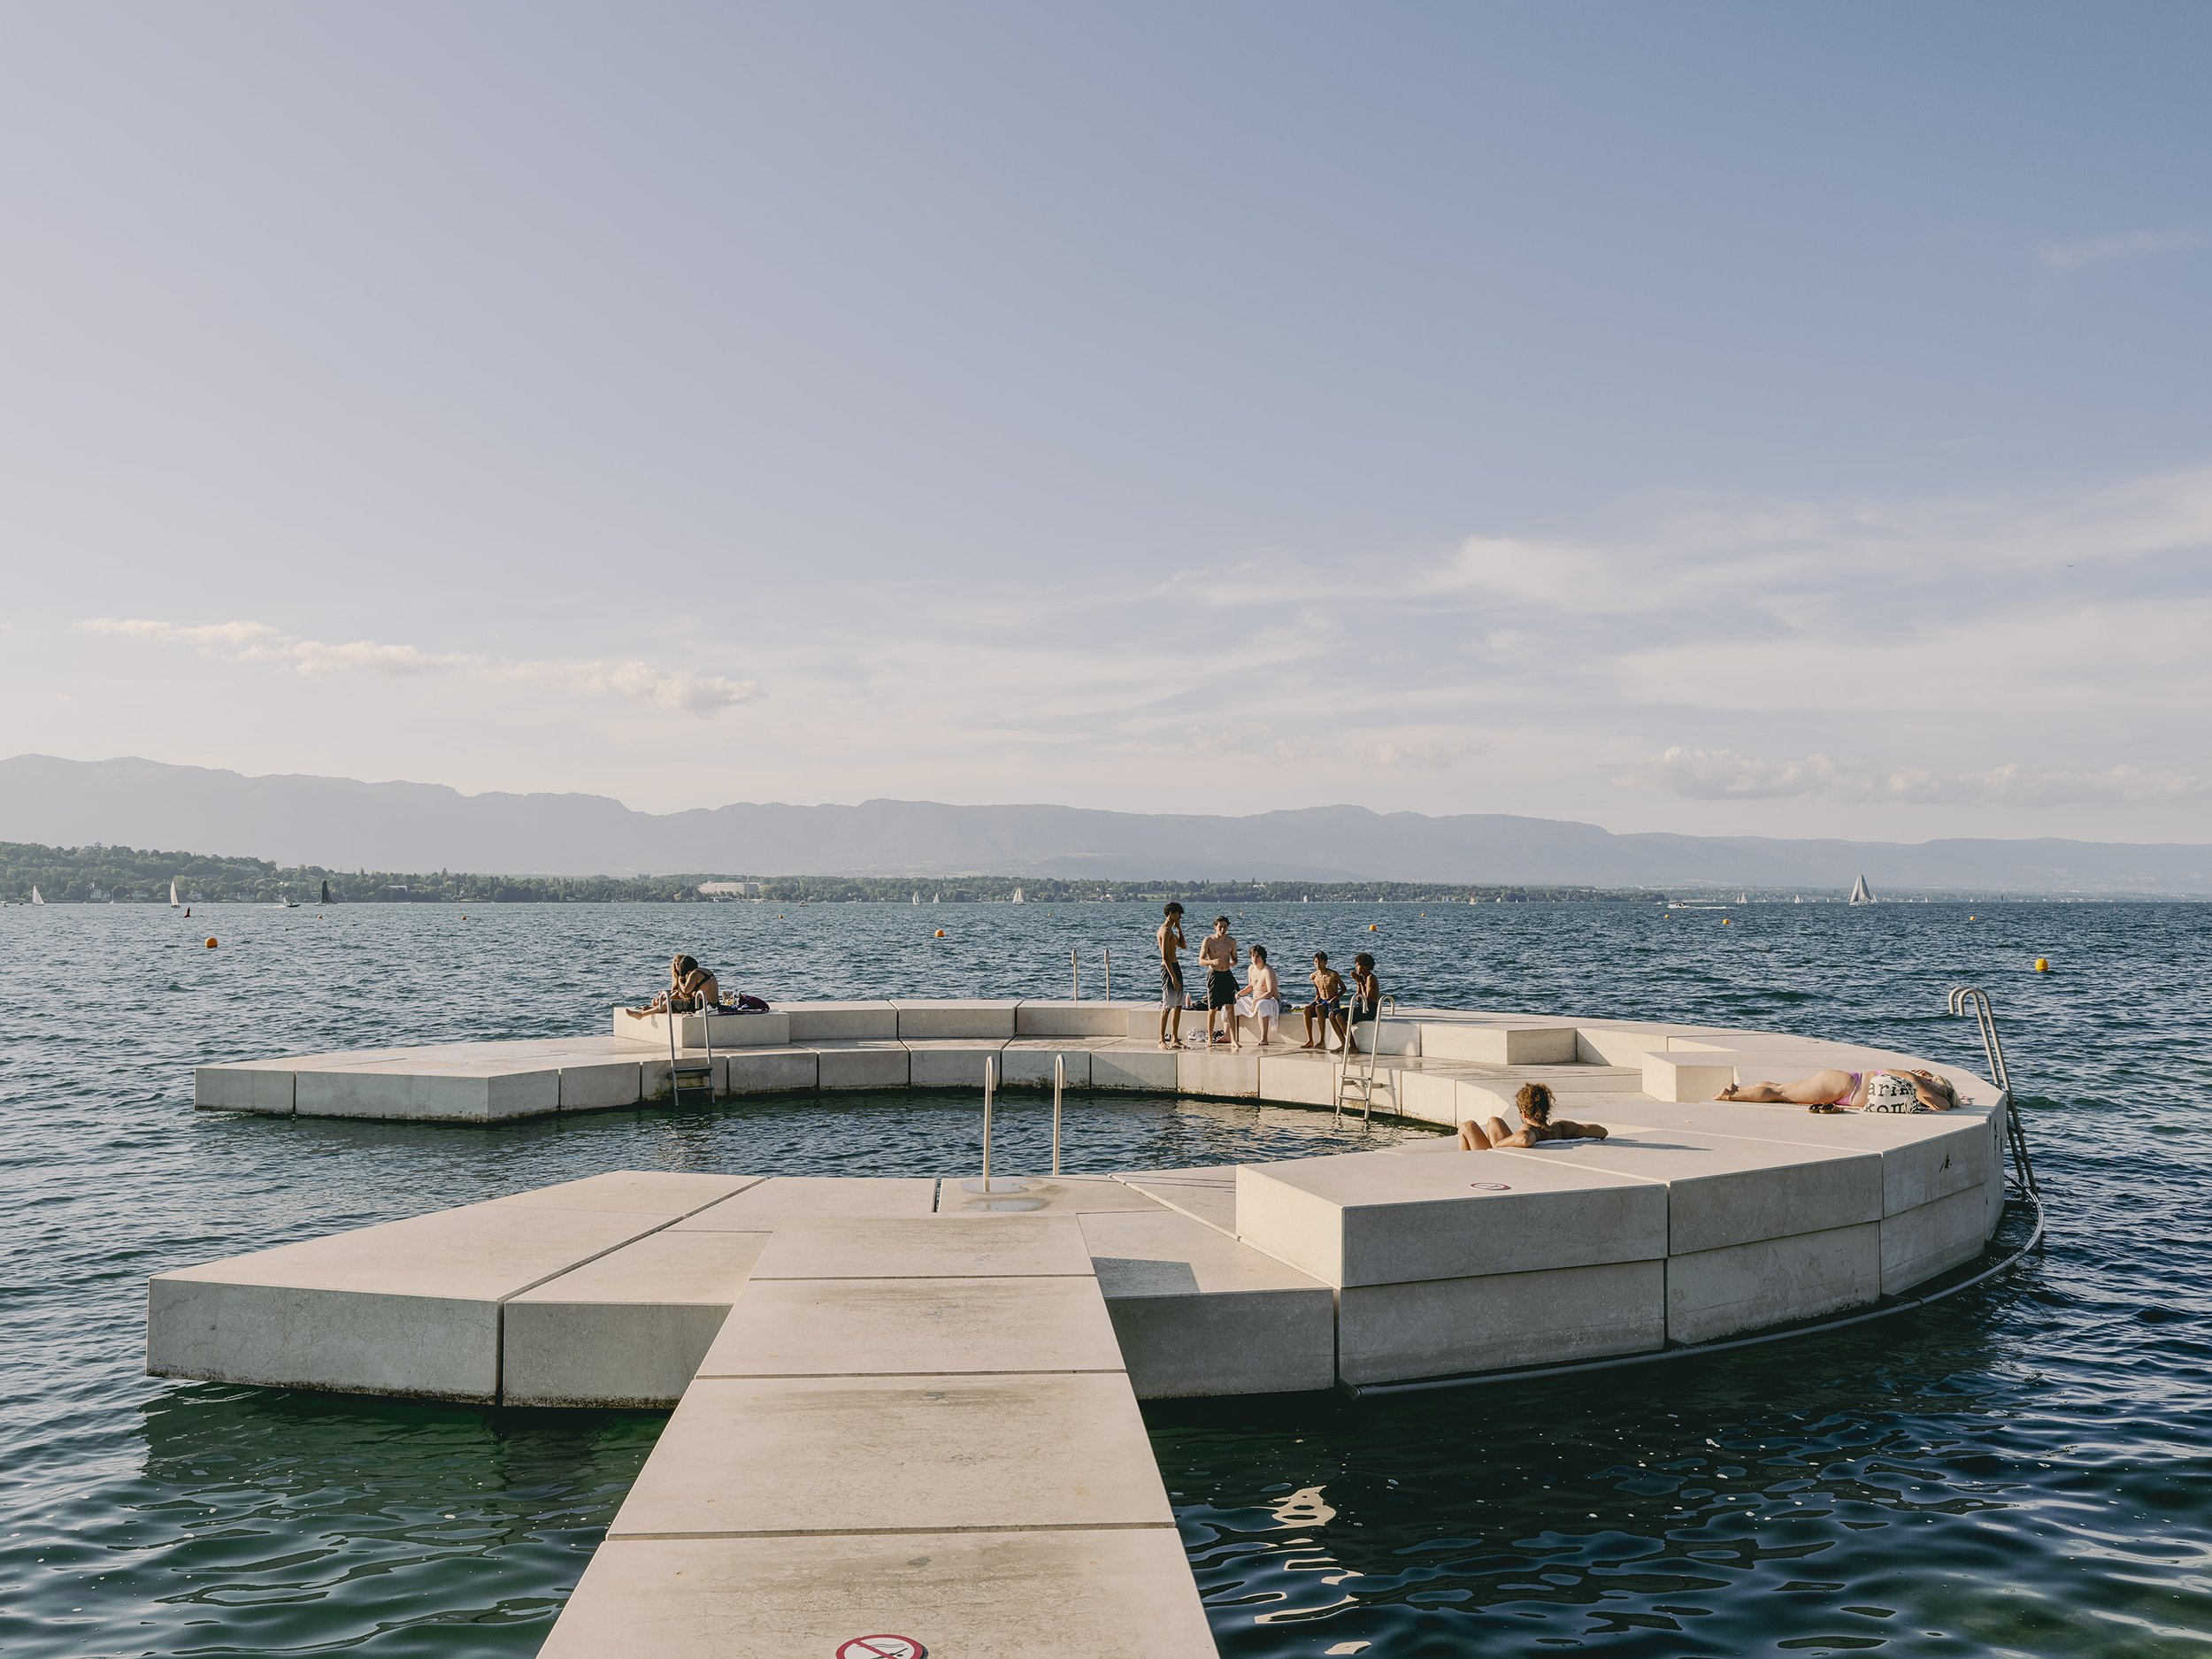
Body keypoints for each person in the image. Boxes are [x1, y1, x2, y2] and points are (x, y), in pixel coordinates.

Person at [1717, 1067, 1960, 1113]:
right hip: (1845, 1087)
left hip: (1843, 1085)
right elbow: (1942, 1105)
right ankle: (1731, 1096)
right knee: (1781, 1094)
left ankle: (1738, 1089)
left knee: (1782, 1090)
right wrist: (1943, 1096)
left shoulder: (1911, 1080)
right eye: (1936, 1084)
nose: (1933, 1088)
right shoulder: (1911, 1078)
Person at [1459, 1082, 1609, 1149]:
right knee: (1494, 1121)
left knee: (1468, 1126)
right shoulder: (1562, 1127)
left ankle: (1467, 1169)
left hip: (1503, 1165)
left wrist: (1498, 1145)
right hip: (1514, 1155)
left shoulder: (1530, 1129)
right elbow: (1602, 1131)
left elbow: (1525, 1138)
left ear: (1524, 1113)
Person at [622, 954, 720, 1020]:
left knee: (668, 1003)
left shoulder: (694, 974)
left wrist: (680, 981)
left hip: (702, 1006)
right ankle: (650, 1010)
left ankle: (640, 1015)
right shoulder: (705, 971)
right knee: (664, 1002)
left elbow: (686, 990)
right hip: (713, 1004)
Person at [1197, 916, 1241, 1048]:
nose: (1222, 929)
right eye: (1220, 926)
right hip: (1214, 975)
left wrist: (1234, 962)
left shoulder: (1232, 941)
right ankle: (1210, 1038)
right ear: (1215, 926)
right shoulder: (1209, 941)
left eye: (1225, 927)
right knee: (1213, 1008)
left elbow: (1235, 958)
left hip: (1227, 975)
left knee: (1230, 1007)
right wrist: (1212, 961)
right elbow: (1201, 960)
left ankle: (1234, 1039)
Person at [1237, 944, 1283, 1047]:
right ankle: (1229, 1035)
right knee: (1232, 1003)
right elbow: (1250, 986)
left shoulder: (1268, 970)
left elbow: (1271, 992)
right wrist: (1239, 994)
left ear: (1263, 958)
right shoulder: (1251, 969)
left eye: (1257, 956)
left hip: (1271, 1001)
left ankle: (1264, 1038)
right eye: (1253, 956)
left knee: (1262, 1005)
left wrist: (1256, 1000)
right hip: (1255, 1000)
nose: (1254, 958)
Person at [1300, 952, 1347, 1051]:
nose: (1318, 964)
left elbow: (1344, 989)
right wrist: (1317, 996)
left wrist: (1335, 998)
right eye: (1316, 962)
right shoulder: (1313, 976)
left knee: (1318, 1008)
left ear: (1325, 962)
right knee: (1307, 1009)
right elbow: (1318, 990)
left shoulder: (1333, 975)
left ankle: (1322, 1041)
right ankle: (1310, 1040)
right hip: (1321, 1000)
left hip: (1332, 1002)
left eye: (1320, 962)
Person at [1156, 902, 1188, 1050]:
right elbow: (1165, 956)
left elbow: (1183, 945)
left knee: (1179, 1005)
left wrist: (1180, 929)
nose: (1180, 917)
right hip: (1168, 969)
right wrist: (1173, 978)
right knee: (1167, 1006)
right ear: (1171, 913)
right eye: (1178, 914)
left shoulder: (1172, 931)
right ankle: (1162, 1040)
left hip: (1176, 966)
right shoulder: (1164, 931)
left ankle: (1175, 1038)